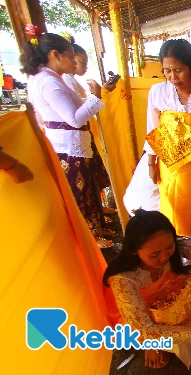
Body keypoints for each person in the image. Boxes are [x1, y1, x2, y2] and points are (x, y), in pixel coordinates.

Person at [103, 210, 191, 368]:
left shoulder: (179, 245)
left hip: (169, 292)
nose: (165, 257)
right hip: (139, 314)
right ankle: (152, 346)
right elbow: (144, 330)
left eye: (169, 247)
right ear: (133, 251)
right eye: (154, 255)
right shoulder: (123, 280)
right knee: (148, 335)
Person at [21, 32, 113, 248]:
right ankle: (89, 238)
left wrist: (89, 99)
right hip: (68, 146)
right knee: (79, 193)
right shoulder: (48, 81)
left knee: (86, 189)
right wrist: (96, 97)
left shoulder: (50, 78)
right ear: (55, 54)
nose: (74, 61)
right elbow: (73, 119)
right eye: (71, 56)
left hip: (71, 145)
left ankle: (95, 230)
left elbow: (70, 107)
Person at [144, 39, 191, 248]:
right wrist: (152, 163)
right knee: (171, 204)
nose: (172, 77)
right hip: (169, 166)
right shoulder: (158, 92)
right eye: (167, 70)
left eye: (178, 70)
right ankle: (174, 249)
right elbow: (152, 130)